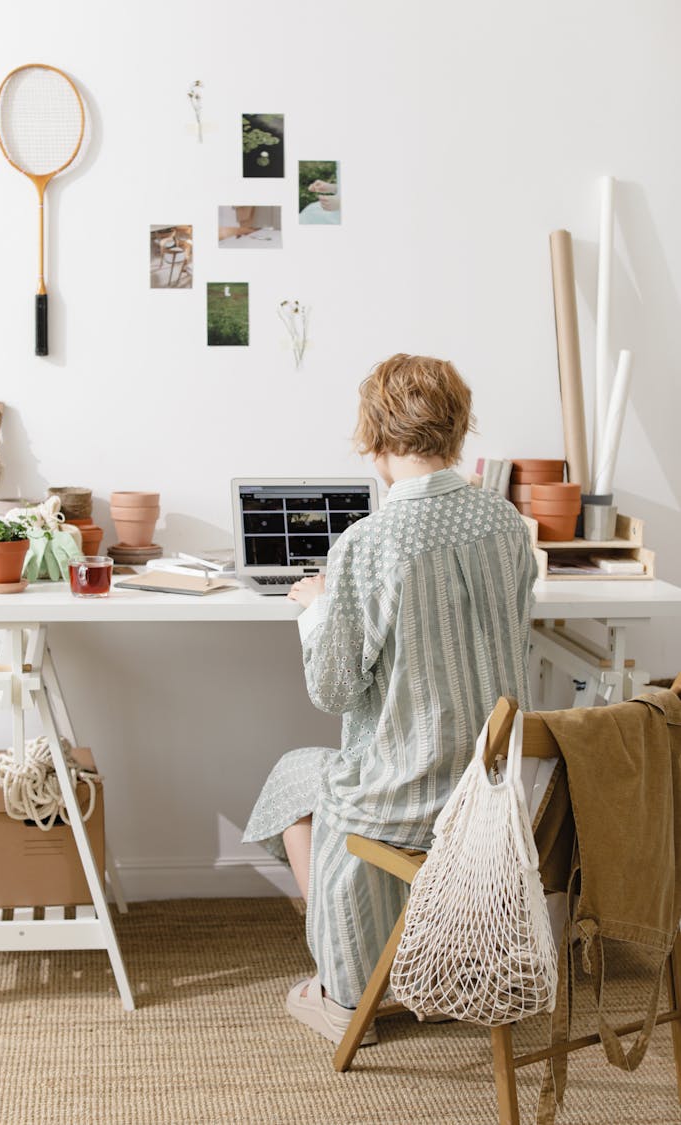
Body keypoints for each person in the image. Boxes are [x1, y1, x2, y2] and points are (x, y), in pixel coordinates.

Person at [242, 353, 537, 1047]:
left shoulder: (368, 544)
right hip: (489, 794)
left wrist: (316, 608)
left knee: (298, 773)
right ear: (458, 431)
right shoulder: (506, 524)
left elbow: (333, 688)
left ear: (374, 440)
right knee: (344, 764)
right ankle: (421, 957)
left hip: (406, 802)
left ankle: (346, 991)